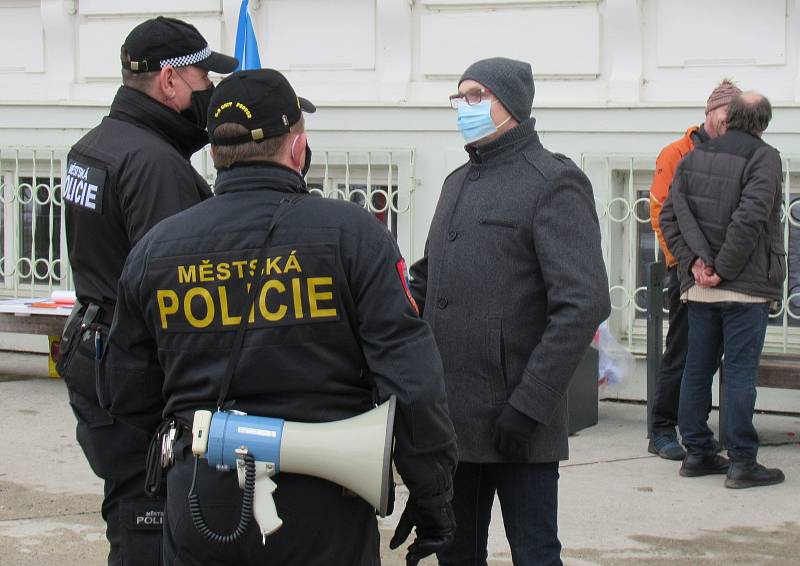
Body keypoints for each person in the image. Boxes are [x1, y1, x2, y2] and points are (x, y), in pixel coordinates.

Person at [103, 68, 458, 566]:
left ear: (214, 153)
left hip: (203, 502)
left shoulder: (155, 249)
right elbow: (413, 384)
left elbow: (125, 393)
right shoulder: (353, 235)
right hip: (324, 503)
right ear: (297, 149)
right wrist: (432, 494)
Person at [410, 57, 610, 565]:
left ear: (512, 105)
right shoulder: (456, 181)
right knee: (455, 553)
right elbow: (431, 279)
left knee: (535, 554)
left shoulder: (552, 180)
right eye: (460, 98)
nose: (465, 108)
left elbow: (583, 303)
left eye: (477, 96)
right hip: (453, 419)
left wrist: (530, 404)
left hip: (518, 421)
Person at [57, 16, 237, 566]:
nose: (211, 92)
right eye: (205, 79)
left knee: (128, 510)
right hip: (137, 376)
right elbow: (180, 292)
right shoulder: (156, 166)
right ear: (170, 82)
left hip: (97, 350)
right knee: (148, 525)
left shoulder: (95, 146)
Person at [660, 92, 786, 489]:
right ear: (763, 123)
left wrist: (696, 264)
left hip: (701, 288)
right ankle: (742, 462)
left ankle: (697, 452)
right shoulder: (765, 157)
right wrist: (720, 269)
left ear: (728, 119)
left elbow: (669, 215)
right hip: (743, 287)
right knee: (739, 372)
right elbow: (750, 218)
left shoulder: (694, 157)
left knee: (697, 368)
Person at [647, 79, 741, 460]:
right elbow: (660, 213)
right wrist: (687, 264)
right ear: (709, 113)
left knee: (708, 356)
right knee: (682, 352)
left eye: (736, 116)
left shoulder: (737, 154)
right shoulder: (676, 152)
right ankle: (661, 430)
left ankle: (696, 432)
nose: (729, 121)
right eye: (724, 114)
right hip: (686, 272)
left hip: (724, 273)